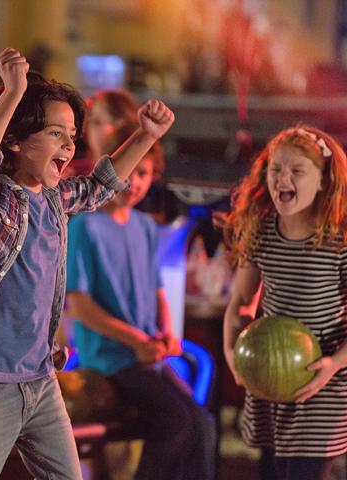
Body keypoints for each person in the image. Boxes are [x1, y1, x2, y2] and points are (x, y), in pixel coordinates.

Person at [0, 47, 174, 480]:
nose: (70, 144)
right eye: (55, 133)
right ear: (15, 139)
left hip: (41, 381)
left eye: (71, 134)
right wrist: (13, 93)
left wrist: (146, 136)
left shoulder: (54, 200)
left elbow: (103, 185)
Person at [66, 110, 216, 480]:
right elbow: (80, 306)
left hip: (148, 355)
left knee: (204, 425)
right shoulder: (86, 225)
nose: (133, 183)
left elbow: (157, 291)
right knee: (176, 421)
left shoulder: (145, 227)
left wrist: (167, 333)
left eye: (144, 175)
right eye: (128, 173)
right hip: (110, 359)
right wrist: (135, 341)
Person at [221, 125, 347, 480]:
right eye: (276, 170)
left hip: (321, 383)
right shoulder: (262, 231)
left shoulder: (339, 240)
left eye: (297, 171)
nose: (282, 179)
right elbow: (243, 302)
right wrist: (232, 353)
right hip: (269, 378)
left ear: (323, 181)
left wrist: (334, 364)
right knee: (272, 472)